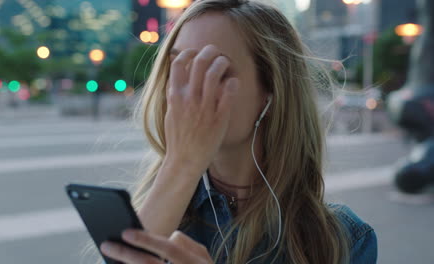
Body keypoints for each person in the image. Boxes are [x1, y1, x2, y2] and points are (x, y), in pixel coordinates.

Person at [98, 0, 378, 263]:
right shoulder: (154, 208)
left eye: (213, 71)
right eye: (177, 67)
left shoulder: (341, 239)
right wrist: (181, 165)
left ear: (271, 91)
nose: (186, 92)